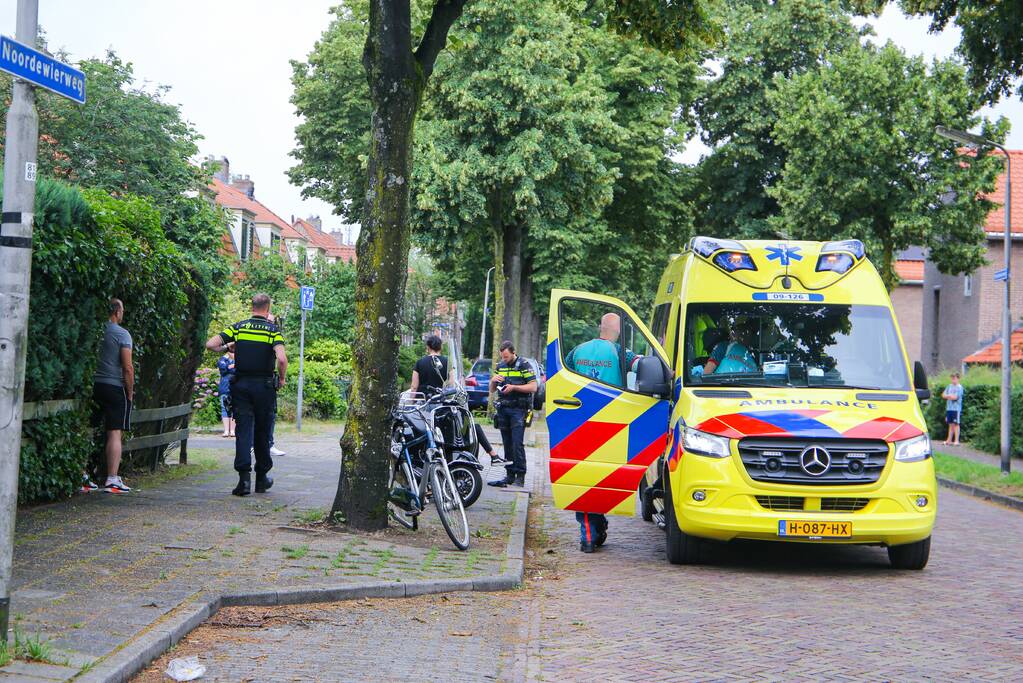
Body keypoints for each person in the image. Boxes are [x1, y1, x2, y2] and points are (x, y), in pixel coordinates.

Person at [564, 312, 640, 552]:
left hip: (578, 423)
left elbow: (561, 374)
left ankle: (589, 531)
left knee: (584, 478)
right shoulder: (620, 352)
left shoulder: (577, 350)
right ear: (618, 332)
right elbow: (641, 364)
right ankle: (594, 527)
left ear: (600, 327)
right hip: (610, 425)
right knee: (602, 480)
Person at [206, 293, 287, 496]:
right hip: (264, 387)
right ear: (267, 308)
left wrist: (228, 346)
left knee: (243, 432)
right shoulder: (272, 331)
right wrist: (282, 379)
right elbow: (282, 359)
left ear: (252, 307)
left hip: (241, 386)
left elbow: (210, 344)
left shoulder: (239, 327)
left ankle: (243, 481)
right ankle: (261, 479)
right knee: (262, 431)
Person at [91, 298, 134, 493]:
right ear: (117, 312)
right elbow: (127, 367)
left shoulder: (96, 331)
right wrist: (130, 392)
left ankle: (83, 474)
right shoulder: (122, 334)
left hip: (93, 386)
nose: (123, 313)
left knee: (89, 429)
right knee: (114, 432)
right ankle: (112, 478)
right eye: (122, 310)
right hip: (114, 387)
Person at [487, 341, 536, 488]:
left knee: (517, 443)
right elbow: (492, 390)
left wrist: (514, 387)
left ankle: (520, 476)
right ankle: (509, 475)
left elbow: (533, 386)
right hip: (503, 409)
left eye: (507, 357)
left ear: (513, 353)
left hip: (518, 410)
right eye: (503, 357)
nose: (504, 360)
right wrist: (493, 381)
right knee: (507, 444)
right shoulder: (500, 366)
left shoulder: (524, 365)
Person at [265, 312, 286, 458]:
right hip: (263, 382)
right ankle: (253, 445)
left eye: (272, 322)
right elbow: (282, 360)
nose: (269, 324)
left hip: (267, 381)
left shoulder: (273, 336)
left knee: (270, 415)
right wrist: (282, 378)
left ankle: (269, 444)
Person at [217, 344, 236, 438]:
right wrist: (231, 366)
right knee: (224, 408)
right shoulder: (222, 359)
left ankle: (232, 431)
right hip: (225, 387)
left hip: (236, 387)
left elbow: (238, 370)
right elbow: (223, 370)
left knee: (234, 409)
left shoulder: (239, 358)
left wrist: (231, 367)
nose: (233, 348)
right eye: (232, 346)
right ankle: (226, 430)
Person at [942, 373, 964, 445]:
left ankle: (956, 441)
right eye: (952, 378)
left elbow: (955, 397)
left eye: (954, 378)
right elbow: (943, 395)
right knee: (950, 424)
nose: (953, 380)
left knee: (956, 424)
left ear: (958, 379)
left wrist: (948, 396)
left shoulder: (959, 387)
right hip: (949, 408)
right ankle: (949, 440)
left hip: (956, 409)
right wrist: (949, 396)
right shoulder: (949, 386)